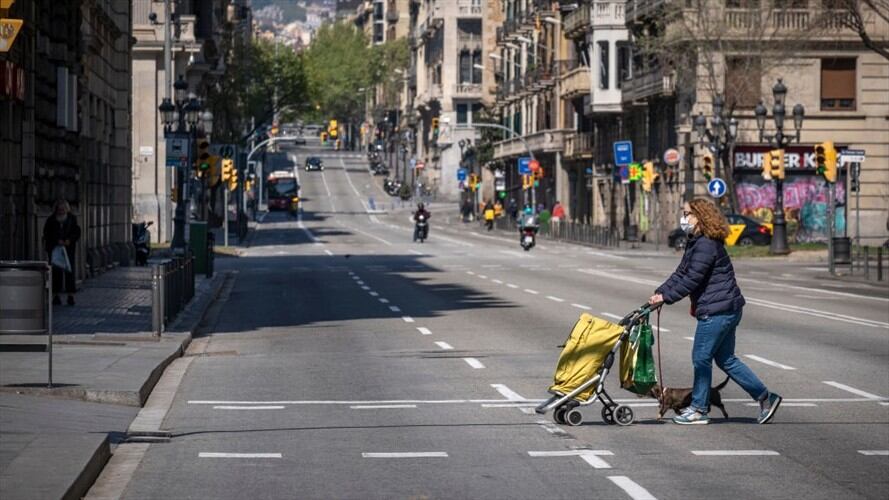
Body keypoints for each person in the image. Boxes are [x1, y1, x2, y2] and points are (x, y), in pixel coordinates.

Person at [649, 199, 781, 425]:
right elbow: (681, 272)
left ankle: (699, 409)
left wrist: (667, 297)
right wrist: (661, 292)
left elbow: (692, 278)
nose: (684, 219)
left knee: (701, 358)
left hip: (717, 311)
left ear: (701, 217)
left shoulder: (706, 245)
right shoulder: (697, 242)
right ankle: (766, 397)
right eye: (684, 213)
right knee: (726, 359)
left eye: (688, 214)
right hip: (726, 308)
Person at [43, 199, 81, 306]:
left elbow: (77, 232)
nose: (61, 211)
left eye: (63, 209)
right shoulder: (51, 220)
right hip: (55, 250)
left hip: (68, 249)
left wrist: (69, 240)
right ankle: (56, 296)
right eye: (59, 209)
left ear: (66, 209)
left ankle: (71, 296)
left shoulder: (72, 219)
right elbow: (47, 233)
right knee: (56, 273)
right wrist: (56, 241)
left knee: (69, 272)